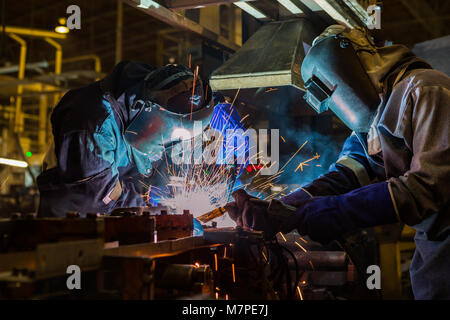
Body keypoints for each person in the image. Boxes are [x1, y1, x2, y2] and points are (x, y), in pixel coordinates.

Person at [225, 25, 450, 299]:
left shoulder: (427, 89)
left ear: (348, 67)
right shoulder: (376, 117)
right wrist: (282, 207)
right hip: (434, 253)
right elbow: (348, 173)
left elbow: (427, 189)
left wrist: (327, 211)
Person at [37, 61, 215, 217]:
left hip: (122, 227)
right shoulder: (93, 124)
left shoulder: (152, 93)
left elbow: (171, 159)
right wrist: (158, 206)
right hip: (73, 230)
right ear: (147, 112)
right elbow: (97, 201)